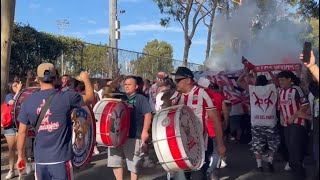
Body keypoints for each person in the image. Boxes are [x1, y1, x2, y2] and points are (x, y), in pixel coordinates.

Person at [16, 63, 94, 180]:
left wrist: (20, 156)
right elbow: (90, 98)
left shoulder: (27, 101)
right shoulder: (66, 97)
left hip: (40, 161)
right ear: (56, 78)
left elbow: (21, 133)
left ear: (37, 79)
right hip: (61, 160)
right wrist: (86, 79)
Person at [170, 67, 226, 180]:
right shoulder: (176, 95)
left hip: (200, 147)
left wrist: (220, 144)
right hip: (181, 147)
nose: (176, 83)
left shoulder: (203, 94)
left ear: (188, 80)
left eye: (178, 80)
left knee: (198, 177)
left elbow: (216, 120)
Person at [107, 76, 152, 180]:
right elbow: (108, 88)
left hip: (133, 135)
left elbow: (148, 114)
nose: (126, 87)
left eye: (129, 84)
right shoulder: (119, 97)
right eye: (125, 84)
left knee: (133, 163)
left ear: (136, 86)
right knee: (115, 160)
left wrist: (145, 131)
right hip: (116, 135)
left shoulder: (140, 98)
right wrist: (115, 80)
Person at [237, 69, 280, 172]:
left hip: (256, 122)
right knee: (273, 143)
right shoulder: (271, 87)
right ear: (267, 81)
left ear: (257, 82)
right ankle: (270, 162)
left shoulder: (253, 89)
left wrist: (245, 73)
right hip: (270, 122)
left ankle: (259, 165)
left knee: (257, 144)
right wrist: (270, 72)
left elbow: (239, 81)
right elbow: (276, 81)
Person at [277, 70, 310, 179]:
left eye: (282, 80)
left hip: (297, 123)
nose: (280, 82)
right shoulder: (281, 91)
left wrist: (294, 116)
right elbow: (281, 107)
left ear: (289, 79)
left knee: (295, 151)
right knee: (290, 149)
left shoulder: (296, 89)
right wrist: (281, 116)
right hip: (286, 125)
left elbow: (305, 105)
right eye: (279, 80)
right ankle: (297, 173)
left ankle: (301, 175)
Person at [2, 81, 22, 179]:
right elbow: (11, 103)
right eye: (15, 85)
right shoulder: (9, 96)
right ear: (11, 88)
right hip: (10, 125)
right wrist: (18, 91)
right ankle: (11, 170)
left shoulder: (22, 95)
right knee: (11, 149)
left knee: (20, 148)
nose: (17, 86)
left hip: (19, 124)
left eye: (18, 85)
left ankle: (22, 170)